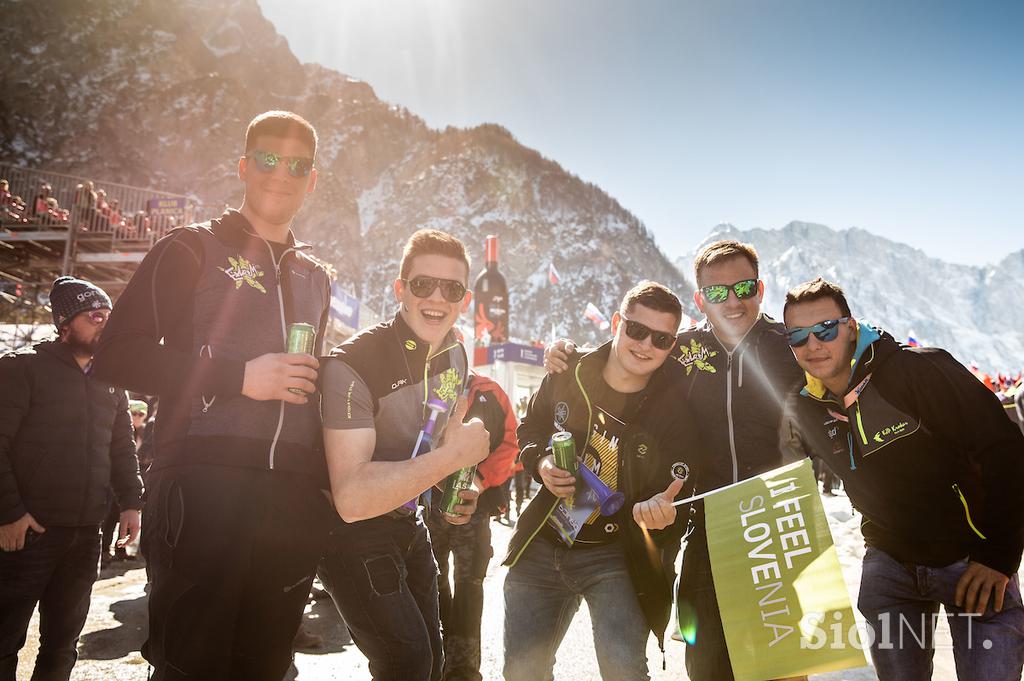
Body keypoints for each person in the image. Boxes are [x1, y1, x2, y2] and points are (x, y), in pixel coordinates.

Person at [91, 110, 335, 680]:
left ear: (313, 179)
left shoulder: (316, 276)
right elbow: (117, 354)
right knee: (191, 666)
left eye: (297, 164)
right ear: (245, 167)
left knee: (268, 667)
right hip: (200, 489)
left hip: (292, 502)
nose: (282, 173)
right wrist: (238, 377)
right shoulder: (190, 248)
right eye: (268, 159)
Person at [544, 240, 805, 681]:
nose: (733, 301)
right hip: (708, 527)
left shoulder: (793, 347)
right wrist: (570, 355)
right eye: (717, 293)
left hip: (779, 523)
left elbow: (846, 355)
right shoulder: (680, 350)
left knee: (782, 672)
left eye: (743, 287)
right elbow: (626, 360)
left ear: (760, 288)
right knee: (706, 668)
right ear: (701, 300)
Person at [783, 277, 1024, 681]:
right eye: (797, 335)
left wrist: (998, 557)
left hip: (972, 563)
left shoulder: (920, 370)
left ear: (852, 327)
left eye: (825, 328)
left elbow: (1006, 451)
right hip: (890, 567)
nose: (813, 344)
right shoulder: (804, 406)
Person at [504, 281, 701, 681]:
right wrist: (540, 462)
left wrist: (663, 517)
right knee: (522, 673)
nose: (645, 345)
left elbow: (681, 492)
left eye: (661, 339)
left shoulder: (676, 408)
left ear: (672, 344)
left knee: (624, 673)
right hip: (544, 540)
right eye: (636, 330)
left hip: (618, 555)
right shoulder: (568, 372)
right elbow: (532, 427)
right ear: (616, 323)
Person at [318, 228, 490, 681]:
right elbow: (352, 499)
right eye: (422, 284)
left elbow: (439, 445)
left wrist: (460, 483)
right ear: (400, 290)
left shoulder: (455, 352)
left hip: (411, 524)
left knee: (431, 662)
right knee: (407, 664)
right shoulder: (353, 362)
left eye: (451, 288)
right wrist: (450, 462)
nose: (437, 297)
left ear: (464, 299)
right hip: (349, 532)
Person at [0, 276, 143, 681]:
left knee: (63, 645)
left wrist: (131, 502)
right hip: (27, 532)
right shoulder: (19, 367)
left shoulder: (111, 379)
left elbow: (121, 449)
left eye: (109, 318)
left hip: (85, 535)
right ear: (65, 325)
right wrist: (8, 512)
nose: (105, 325)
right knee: (3, 641)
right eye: (95, 316)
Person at [426, 371, 518, 681]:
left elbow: (511, 441)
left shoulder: (490, 390)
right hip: (425, 501)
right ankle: (435, 660)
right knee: (429, 580)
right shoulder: (426, 382)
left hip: (475, 506)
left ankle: (463, 669)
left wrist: (480, 480)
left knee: (469, 583)